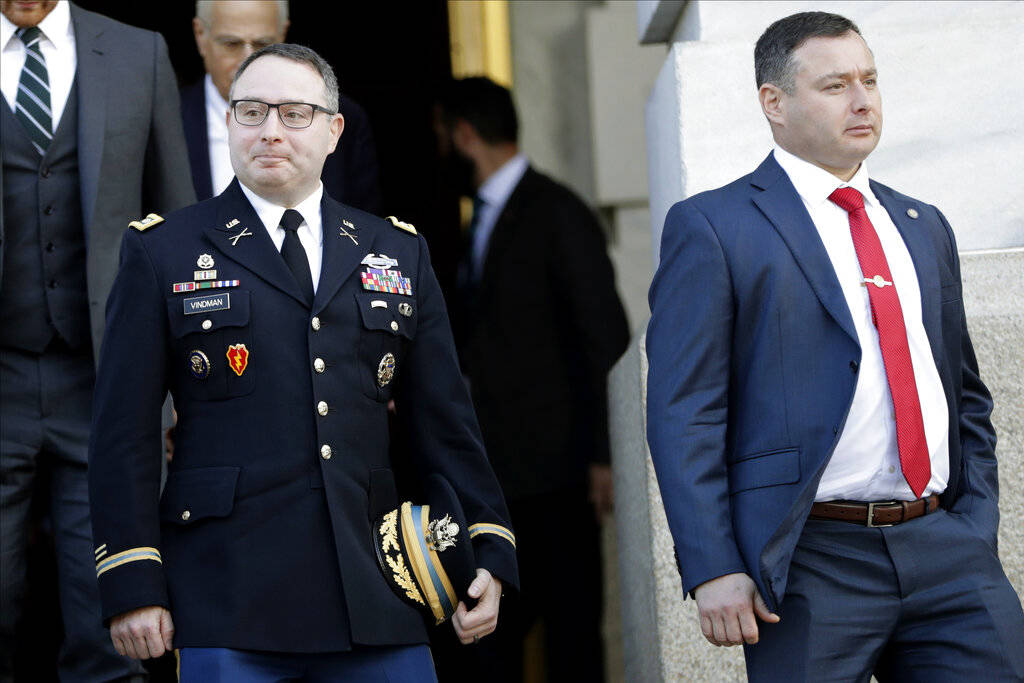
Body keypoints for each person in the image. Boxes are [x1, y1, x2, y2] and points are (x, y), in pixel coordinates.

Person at [87, 43, 517, 682]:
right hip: (225, 596)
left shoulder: (396, 252)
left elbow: (446, 423)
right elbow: (122, 432)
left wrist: (488, 547)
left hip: (377, 589)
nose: (270, 131)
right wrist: (132, 576)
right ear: (228, 124)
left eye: (294, 113)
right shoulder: (164, 251)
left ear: (334, 130)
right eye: (251, 112)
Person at [646, 11, 1024, 682]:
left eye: (870, 79)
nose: (862, 100)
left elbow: (963, 392)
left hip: (947, 549)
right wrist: (713, 564)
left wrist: (976, 520)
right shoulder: (714, 226)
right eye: (835, 85)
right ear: (775, 102)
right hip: (810, 560)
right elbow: (685, 412)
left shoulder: (921, 224)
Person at [0, 0, 195, 679]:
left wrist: (181, 389)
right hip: (1, 379)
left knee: (112, 618)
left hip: (108, 382)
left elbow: (177, 229)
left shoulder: (139, 53)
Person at [436, 77, 630, 683]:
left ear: (464, 135)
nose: (438, 149)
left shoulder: (558, 212)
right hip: (502, 478)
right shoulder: (481, 220)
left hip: (559, 475)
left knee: (572, 638)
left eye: (441, 135)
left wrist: (604, 456)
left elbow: (606, 339)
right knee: (491, 640)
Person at [182, 0, 382, 213]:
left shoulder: (341, 117)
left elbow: (362, 229)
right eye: (231, 43)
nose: (247, 60)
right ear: (200, 35)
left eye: (262, 44)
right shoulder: (166, 120)